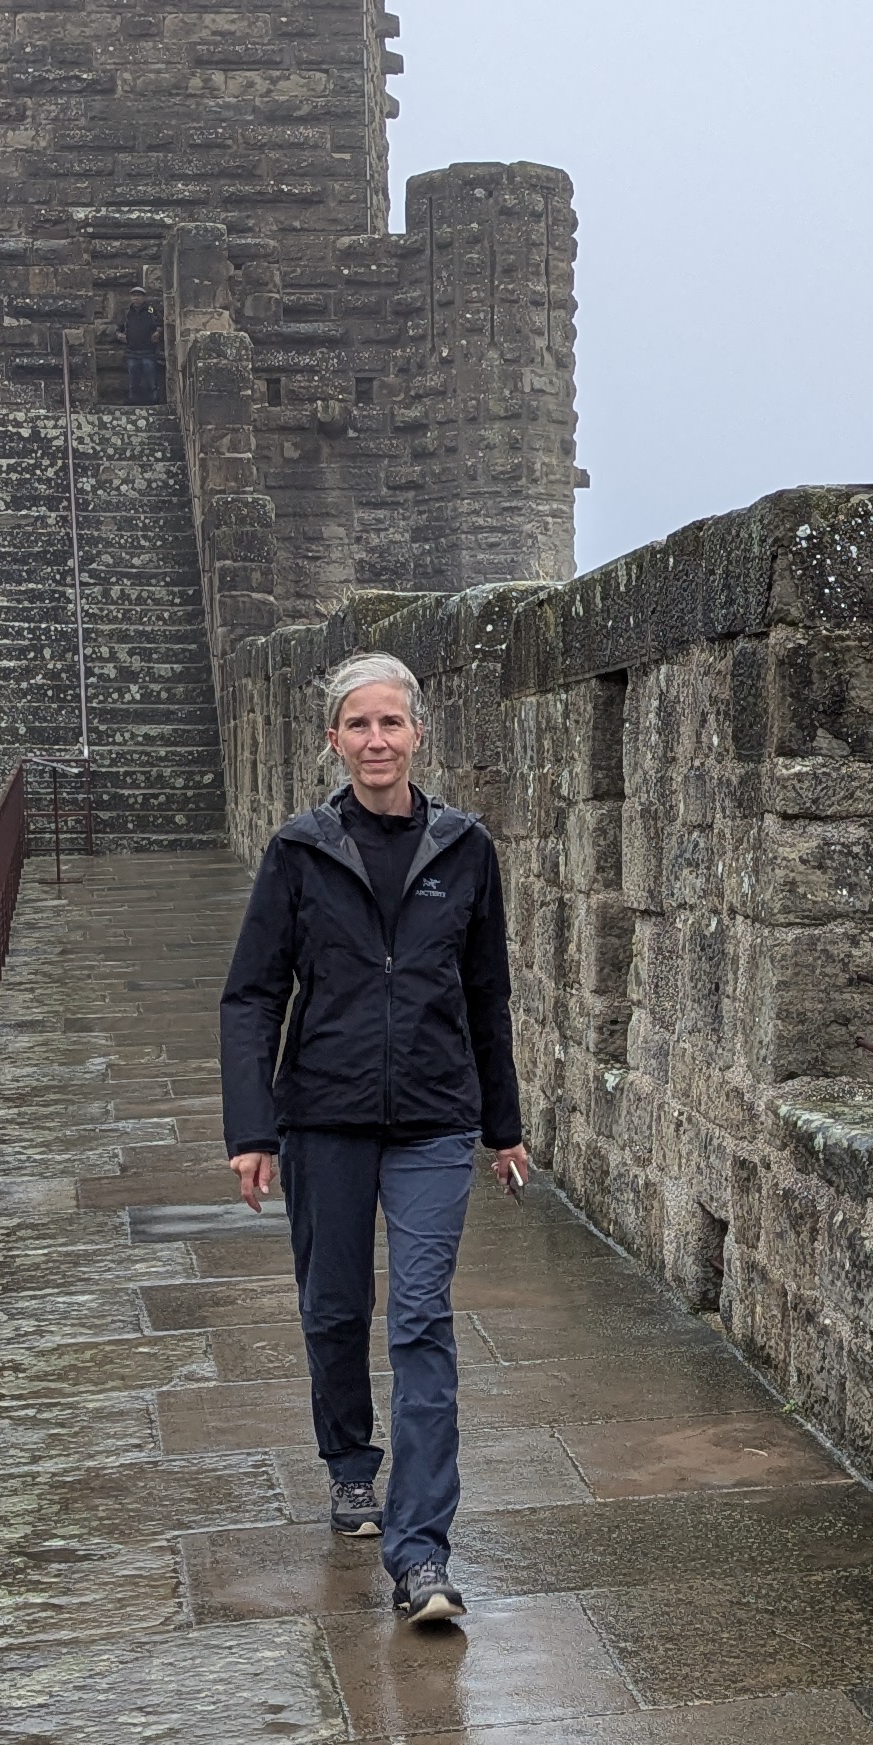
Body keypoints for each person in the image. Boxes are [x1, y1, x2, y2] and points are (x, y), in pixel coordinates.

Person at [219, 654, 530, 1624]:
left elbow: (487, 992)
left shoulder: (465, 849)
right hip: (325, 1117)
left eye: (392, 722)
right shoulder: (300, 852)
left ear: (418, 734)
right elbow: (252, 995)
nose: (377, 740)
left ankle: (421, 1554)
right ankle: (350, 1460)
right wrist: (253, 1130)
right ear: (334, 740)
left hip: (436, 1117)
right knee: (334, 1307)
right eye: (359, 724)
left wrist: (505, 1126)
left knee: (421, 1320)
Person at [123, 297, 164, 403]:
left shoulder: (151, 311)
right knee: (133, 379)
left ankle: (154, 400)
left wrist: (158, 332)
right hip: (132, 351)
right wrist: (119, 335)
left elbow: (161, 324)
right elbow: (118, 328)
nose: (135, 298)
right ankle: (133, 400)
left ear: (143, 298)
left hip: (148, 351)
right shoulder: (127, 312)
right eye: (133, 295)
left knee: (150, 377)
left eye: (138, 295)